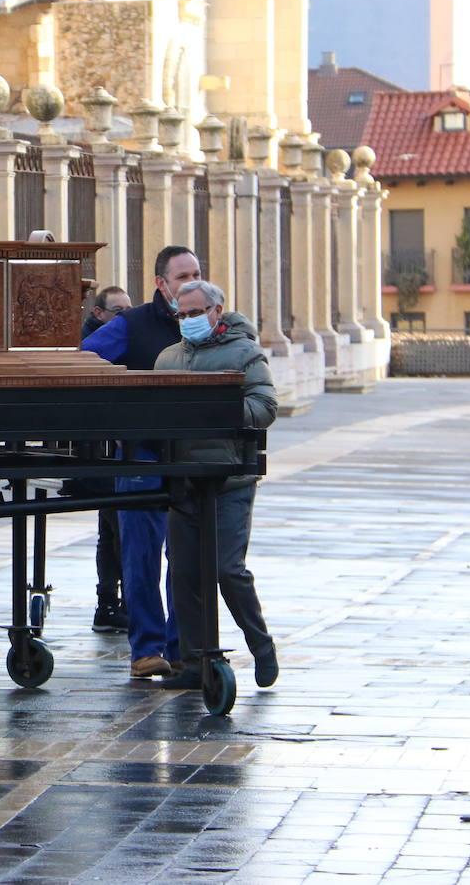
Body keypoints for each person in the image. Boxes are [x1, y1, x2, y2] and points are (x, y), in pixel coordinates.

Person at [81, 246, 202, 678]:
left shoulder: (208, 324)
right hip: (140, 454)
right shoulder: (130, 324)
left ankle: (182, 645)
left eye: (196, 274)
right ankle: (147, 650)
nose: (190, 282)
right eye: (182, 276)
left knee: (187, 557)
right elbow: (83, 359)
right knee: (141, 556)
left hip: (192, 456)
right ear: (161, 284)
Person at [156, 280, 279, 690]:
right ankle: (195, 663)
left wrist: (216, 410)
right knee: (185, 574)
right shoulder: (167, 358)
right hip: (184, 479)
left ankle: (261, 645)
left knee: (228, 570)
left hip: (229, 479)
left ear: (217, 310)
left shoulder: (245, 352)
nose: (188, 320)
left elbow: (265, 406)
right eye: (181, 314)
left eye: (195, 312)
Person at [78, 285, 132, 632]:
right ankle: (111, 603)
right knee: (114, 530)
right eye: (118, 311)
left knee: (114, 529)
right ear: (99, 314)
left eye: (129, 309)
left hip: (114, 449)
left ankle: (114, 603)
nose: (125, 316)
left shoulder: (119, 336)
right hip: (102, 451)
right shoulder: (92, 345)